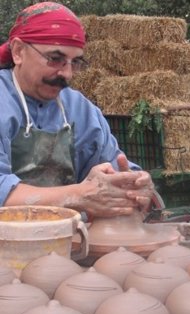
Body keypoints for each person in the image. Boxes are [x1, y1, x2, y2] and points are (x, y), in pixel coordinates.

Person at [0, 2, 154, 219]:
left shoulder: (80, 109)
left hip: (69, 240)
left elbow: (112, 166)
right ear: (18, 52)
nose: (67, 74)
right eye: (55, 59)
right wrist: (78, 195)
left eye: (75, 62)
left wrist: (134, 184)